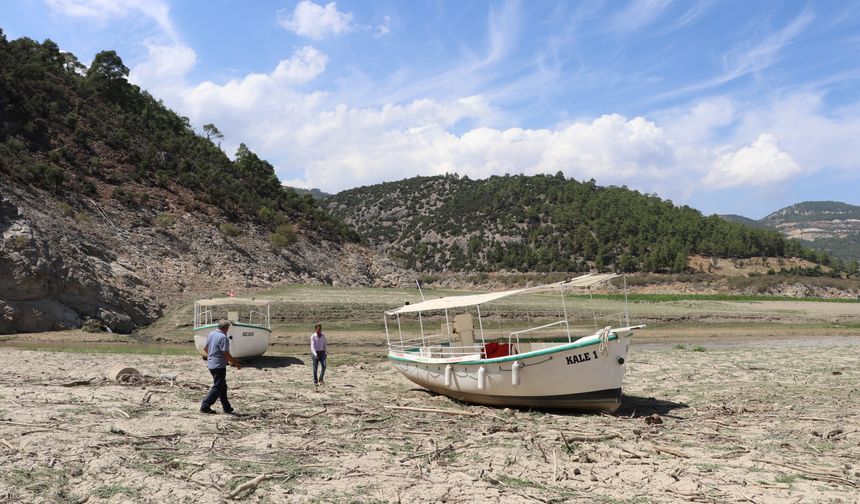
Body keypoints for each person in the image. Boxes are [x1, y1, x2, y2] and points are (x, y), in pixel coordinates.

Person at [200, 319, 241, 414]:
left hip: (211, 364)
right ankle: (205, 406)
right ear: (227, 328)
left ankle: (227, 407)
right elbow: (226, 353)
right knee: (218, 386)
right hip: (218, 365)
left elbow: (206, 348)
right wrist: (235, 362)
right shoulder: (223, 337)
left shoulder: (211, 334)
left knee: (222, 386)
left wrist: (212, 356)